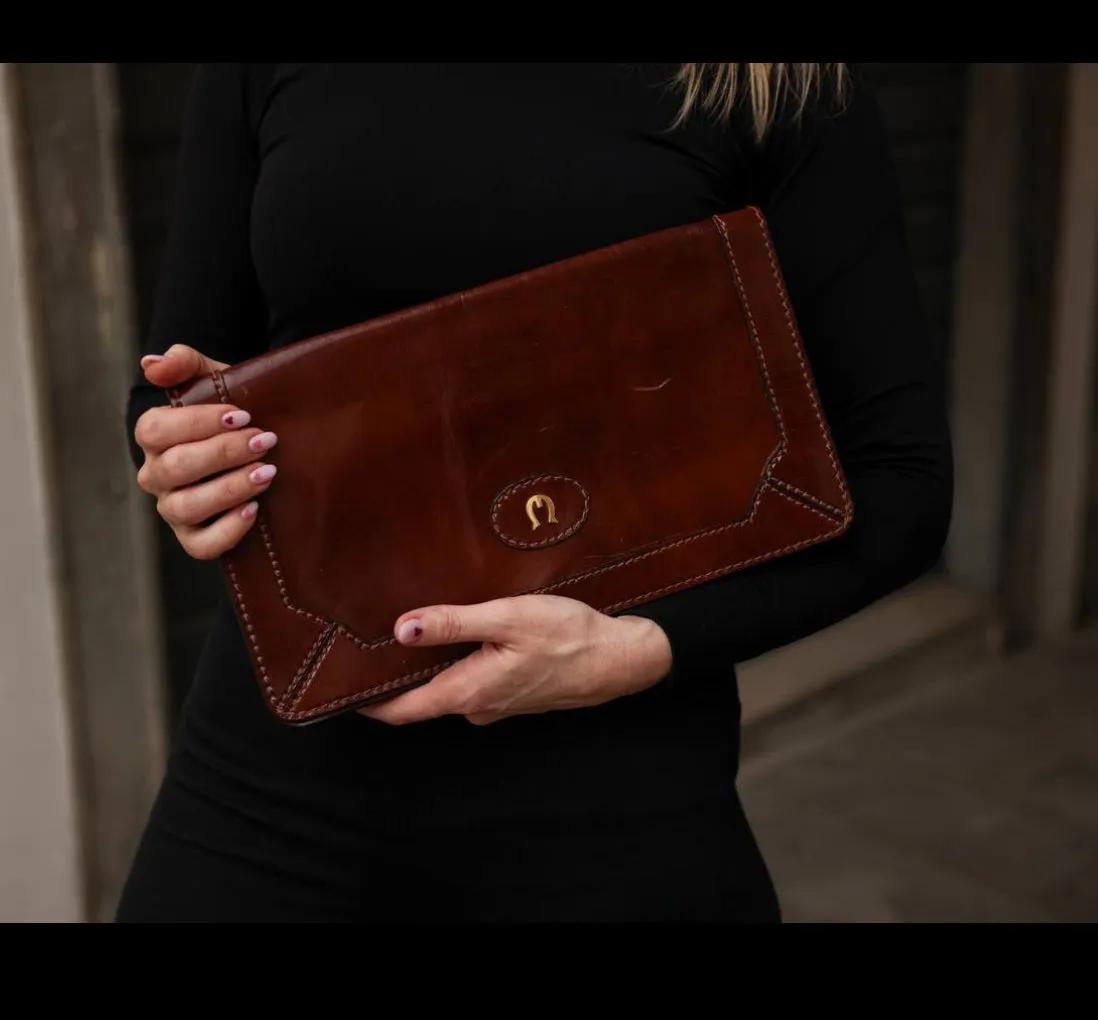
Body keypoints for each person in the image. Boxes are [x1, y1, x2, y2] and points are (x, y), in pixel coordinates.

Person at [116, 63, 953, 922]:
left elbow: (906, 480)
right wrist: (184, 457)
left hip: (617, 792)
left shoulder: (775, 81)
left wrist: (642, 648)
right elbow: (172, 381)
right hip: (275, 782)